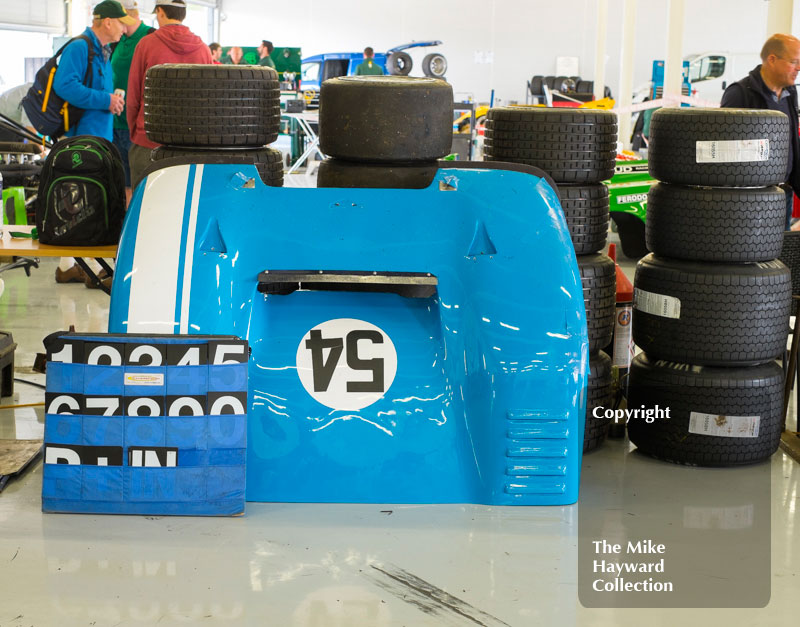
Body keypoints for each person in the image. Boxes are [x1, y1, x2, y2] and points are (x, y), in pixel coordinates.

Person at [52, 0, 134, 286]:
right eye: (122, 22)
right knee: (77, 202)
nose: (125, 28)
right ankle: (75, 266)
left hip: (98, 138)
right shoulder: (80, 47)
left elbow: (97, 90)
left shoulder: (102, 51)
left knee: (91, 201)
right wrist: (105, 100)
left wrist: (114, 100)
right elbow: (65, 85)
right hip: (81, 141)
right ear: (108, 22)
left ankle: (80, 267)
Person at [126, 0, 212, 191]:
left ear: (160, 12)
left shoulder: (146, 45)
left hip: (148, 140)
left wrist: (136, 131)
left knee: (144, 208)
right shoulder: (203, 49)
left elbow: (133, 95)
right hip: (191, 145)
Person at [721, 33, 800, 230]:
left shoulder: (790, 93)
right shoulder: (739, 93)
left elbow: (792, 143)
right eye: (794, 62)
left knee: (779, 254)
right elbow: (726, 150)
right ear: (772, 59)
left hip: (783, 194)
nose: (798, 68)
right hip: (748, 200)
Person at [110, 0, 154, 205]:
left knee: (136, 181)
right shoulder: (117, 41)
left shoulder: (149, 37)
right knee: (120, 179)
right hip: (115, 120)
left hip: (136, 125)